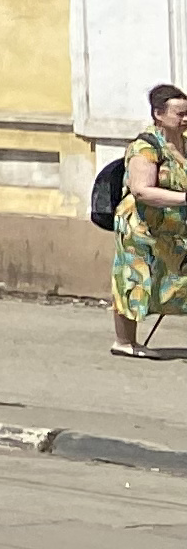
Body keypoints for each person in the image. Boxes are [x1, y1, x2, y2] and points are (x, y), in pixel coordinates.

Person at [115, 82, 187, 357]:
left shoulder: (185, 142)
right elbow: (142, 190)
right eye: (179, 114)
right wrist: (184, 199)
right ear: (158, 114)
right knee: (136, 279)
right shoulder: (145, 146)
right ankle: (125, 342)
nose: (185, 119)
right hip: (142, 227)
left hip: (175, 228)